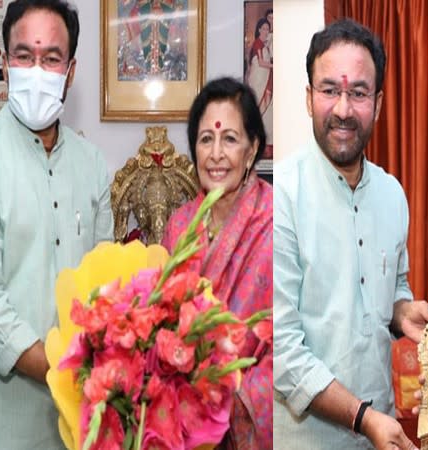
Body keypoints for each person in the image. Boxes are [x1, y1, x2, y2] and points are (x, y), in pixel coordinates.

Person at [273, 18, 428, 450]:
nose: (344, 109)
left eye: (358, 93)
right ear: (309, 99)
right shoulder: (279, 197)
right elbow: (282, 350)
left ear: (378, 104)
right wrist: (362, 417)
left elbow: (390, 289)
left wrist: (403, 312)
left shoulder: (392, 194)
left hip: (379, 433)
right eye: (329, 90)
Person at [0, 1, 113, 449]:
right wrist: (67, 372)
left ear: (70, 72)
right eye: (24, 55)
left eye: (51, 58)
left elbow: (107, 288)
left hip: (82, 426)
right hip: (2, 425)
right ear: (4, 65)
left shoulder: (93, 164)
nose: (37, 69)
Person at [162, 77, 272, 449]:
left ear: (252, 148)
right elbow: (161, 321)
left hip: (250, 409)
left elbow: (291, 334)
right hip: (183, 416)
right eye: (206, 138)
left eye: (230, 139)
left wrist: (230, 396)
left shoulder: (278, 222)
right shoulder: (179, 225)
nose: (216, 154)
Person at [246, 16, 273, 158]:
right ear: (258, 29)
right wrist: (275, 65)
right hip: (259, 81)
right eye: (263, 28)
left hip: (266, 80)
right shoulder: (258, 44)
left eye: (268, 28)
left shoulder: (265, 44)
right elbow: (261, 63)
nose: (265, 30)